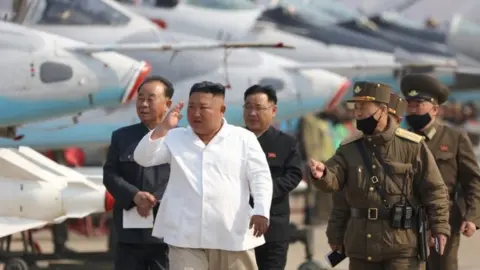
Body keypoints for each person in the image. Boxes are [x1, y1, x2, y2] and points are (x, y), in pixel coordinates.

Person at [309, 81, 451, 270]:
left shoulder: (412, 146)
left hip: (401, 247)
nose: (357, 113)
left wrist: (439, 227)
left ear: (382, 110)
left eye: (364, 108)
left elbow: (434, 190)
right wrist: (323, 174)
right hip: (361, 247)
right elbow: (338, 192)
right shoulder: (348, 149)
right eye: (356, 107)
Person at [134, 81, 273, 270]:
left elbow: (260, 177)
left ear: (221, 109)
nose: (196, 113)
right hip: (185, 235)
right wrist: (163, 128)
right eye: (191, 107)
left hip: (231, 234)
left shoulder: (243, 138)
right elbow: (143, 157)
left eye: (203, 108)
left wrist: (261, 210)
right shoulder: (175, 137)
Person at [401, 74, 480, 270]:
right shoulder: (400, 140)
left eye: (418, 104)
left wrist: (473, 216)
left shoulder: (455, 138)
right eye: (409, 105)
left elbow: (473, 180)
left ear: (435, 109)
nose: (412, 110)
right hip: (406, 222)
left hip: (445, 221)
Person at [103, 76, 173, 270]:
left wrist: (153, 200)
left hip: (167, 231)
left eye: (151, 99)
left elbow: (185, 178)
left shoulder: (180, 138)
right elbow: (110, 175)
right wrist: (134, 196)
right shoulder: (122, 137)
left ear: (167, 103)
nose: (143, 104)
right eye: (140, 98)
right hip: (130, 234)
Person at [326, 92, 408, 255]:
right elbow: (341, 200)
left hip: (401, 239)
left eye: (394, 120)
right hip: (363, 239)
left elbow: (430, 193)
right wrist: (336, 234)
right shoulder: (352, 148)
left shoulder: (410, 148)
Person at [243, 85, 303, 270]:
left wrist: (263, 191)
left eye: (259, 108)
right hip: (237, 226)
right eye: (248, 107)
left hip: (273, 226)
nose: (252, 113)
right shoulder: (233, 139)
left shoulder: (286, 143)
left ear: (273, 110)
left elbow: (293, 175)